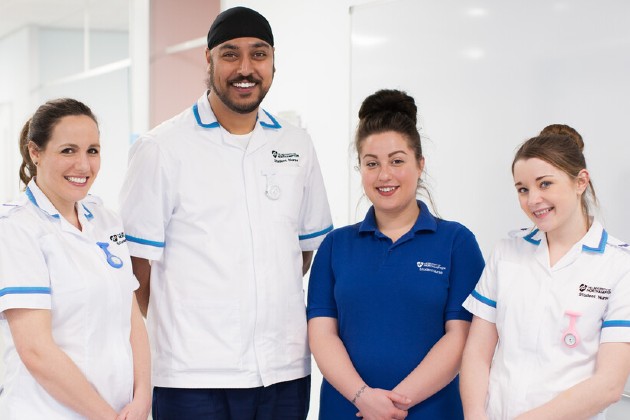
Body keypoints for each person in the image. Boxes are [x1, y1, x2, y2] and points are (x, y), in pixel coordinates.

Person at [118, 6, 333, 419]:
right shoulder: (162, 148)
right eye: (231, 54)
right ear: (209, 59)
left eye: (259, 53)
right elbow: (135, 269)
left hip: (284, 369)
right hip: (192, 376)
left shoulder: (297, 144)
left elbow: (304, 249)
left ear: (273, 60)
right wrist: (187, 324)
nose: (246, 67)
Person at [307, 89, 485, 419]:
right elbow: (321, 334)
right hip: (348, 409)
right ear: (359, 168)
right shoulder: (336, 246)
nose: (384, 175)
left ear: (420, 164)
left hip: (429, 411)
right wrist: (363, 398)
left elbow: (460, 337)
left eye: (397, 161)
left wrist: (394, 404)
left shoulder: (456, 242)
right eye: (371, 163)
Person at [460, 124, 630, 420]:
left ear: (581, 182)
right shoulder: (506, 252)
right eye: (523, 189)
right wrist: (476, 415)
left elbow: (609, 385)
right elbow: (477, 352)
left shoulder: (618, 265)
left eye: (545, 184)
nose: (532, 199)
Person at [0, 98, 151, 419]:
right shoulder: (16, 228)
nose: (83, 165)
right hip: (48, 411)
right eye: (68, 150)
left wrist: (142, 398)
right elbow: (36, 350)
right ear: (35, 152)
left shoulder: (105, 218)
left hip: (122, 409)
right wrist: (106, 416)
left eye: (92, 150)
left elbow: (131, 314)